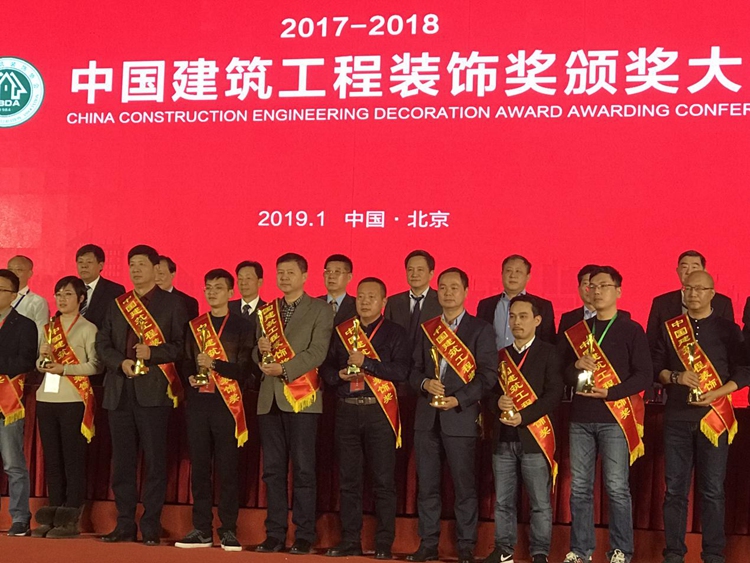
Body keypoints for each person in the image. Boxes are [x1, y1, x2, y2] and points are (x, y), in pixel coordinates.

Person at [652, 271, 750, 563]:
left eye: (700, 289)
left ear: (712, 293)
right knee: (675, 490)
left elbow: (744, 371)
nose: (693, 293)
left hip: (714, 418)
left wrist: (719, 392)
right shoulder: (671, 328)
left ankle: (713, 554)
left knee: (712, 490)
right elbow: (655, 367)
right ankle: (673, 553)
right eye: (688, 288)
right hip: (677, 419)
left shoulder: (728, 330)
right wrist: (677, 377)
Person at [96, 245, 188, 546]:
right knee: (122, 462)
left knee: (155, 462)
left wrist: (153, 353)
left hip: (154, 393)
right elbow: (103, 343)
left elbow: (180, 346)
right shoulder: (118, 304)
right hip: (119, 391)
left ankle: (150, 525)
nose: (135, 270)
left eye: (142, 265)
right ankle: (124, 523)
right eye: (132, 264)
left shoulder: (172, 304)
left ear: (155, 269)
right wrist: (119, 363)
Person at [560, 266, 652, 563]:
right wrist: (575, 367)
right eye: (592, 286)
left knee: (616, 487)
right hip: (580, 417)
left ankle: (621, 550)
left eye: (604, 286)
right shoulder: (577, 330)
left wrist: (611, 393)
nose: (597, 291)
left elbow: (644, 376)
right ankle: (581, 550)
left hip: (615, 418)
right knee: (580, 488)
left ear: (618, 291)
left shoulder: (631, 329)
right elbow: (562, 373)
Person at [407, 268, 497, 563]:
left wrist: (458, 398)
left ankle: (466, 546)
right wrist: (424, 383)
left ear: (466, 292)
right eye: (443, 287)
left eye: (454, 288)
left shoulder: (480, 329)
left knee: (464, 486)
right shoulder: (428, 328)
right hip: (426, 419)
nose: (447, 293)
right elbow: (413, 370)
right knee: (427, 485)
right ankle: (427, 543)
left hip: (460, 417)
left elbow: (488, 376)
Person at [322, 277, 410, 559]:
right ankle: (350, 540)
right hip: (347, 410)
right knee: (348, 480)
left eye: (371, 297)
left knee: (383, 481)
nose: (365, 301)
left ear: (384, 301)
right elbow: (326, 369)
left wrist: (367, 364)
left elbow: (402, 371)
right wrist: (339, 376)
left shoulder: (395, 333)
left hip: (378, 412)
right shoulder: (343, 331)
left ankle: (383, 543)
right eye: (360, 296)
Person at [253, 253, 334, 554]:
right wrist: (260, 352)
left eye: (290, 272)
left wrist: (285, 369)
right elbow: (257, 354)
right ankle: (274, 533)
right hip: (269, 399)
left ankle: (304, 534)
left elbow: (318, 352)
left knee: (303, 470)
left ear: (304, 276)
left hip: (302, 398)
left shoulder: (320, 309)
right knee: (273, 471)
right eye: (280, 272)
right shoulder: (267, 311)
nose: (284, 277)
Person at [175, 269, 254, 552]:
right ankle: (201, 529)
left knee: (228, 469)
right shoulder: (195, 325)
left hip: (227, 405)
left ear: (231, 292)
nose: (212, 292)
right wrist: (191, 376)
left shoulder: (242, 326)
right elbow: (186, 360)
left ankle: (229, 529)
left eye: (218, 288)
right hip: (199, 404)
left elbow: (244, 369)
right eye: (208, 287)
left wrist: (215, 365)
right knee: (199, 469)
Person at [486, 295, 563, 563]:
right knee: (502, 501)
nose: (516, 322)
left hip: (534, 438)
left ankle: (540, 553)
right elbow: (489, 393)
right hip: (503, 439)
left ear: (537, 320)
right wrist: (497, 403)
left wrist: (524, 416)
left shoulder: (549, 353)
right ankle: (504, 550)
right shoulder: (501, 355)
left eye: (523, 316)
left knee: (539, 502)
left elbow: (554, 394)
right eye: (512, 316)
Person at [34, 276, 101, 538]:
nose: (62, 299)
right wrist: (43, 359)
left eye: (68, 294)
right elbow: (39, 364)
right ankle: (53, 513)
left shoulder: (88, 328)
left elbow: (95, 365)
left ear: (81, 298)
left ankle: (71, 516)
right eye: (58, 294)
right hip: (46, 399)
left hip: (73, 400)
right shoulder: (48, 328)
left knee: (72, 458)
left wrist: (64, 368)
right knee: (52, 459)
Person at [0, 269, 37, 537]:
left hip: (7, 401)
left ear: (13, 295)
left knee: (13, 463)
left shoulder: (24, 324)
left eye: (1, 290)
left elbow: (25, 361)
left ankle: (21, 517)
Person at [646, 250, 734, 349]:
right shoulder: (661, 303)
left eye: (694, 267)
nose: (689, 272)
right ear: (677, 271)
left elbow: (731, 343)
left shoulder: (723, 303)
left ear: (704, 271)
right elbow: (651, 343)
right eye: (684, 267)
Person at [477, 255, 556, 348]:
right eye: (508, 271)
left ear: (528, 277)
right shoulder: (485, 305)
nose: (513, 276)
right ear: (502, 274)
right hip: (494, 357)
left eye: (518, 271)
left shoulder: (543, 306)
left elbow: (549, 343)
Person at [384, 250, 442, 349]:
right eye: (410, 270)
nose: (414, 274)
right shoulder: (393, 302)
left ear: (431, 274)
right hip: (399, 357)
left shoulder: (441, 301)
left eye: (420, 270)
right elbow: (387, 336)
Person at [75, 244, 126, 329]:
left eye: (89, 262)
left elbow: (117, 324)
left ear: (101, 265)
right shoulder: (71, 288)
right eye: (80, 262)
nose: (84, 266)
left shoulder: (114, 290)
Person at [7, 255, 49, 334]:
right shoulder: (2, 297)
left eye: (19, 270)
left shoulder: (37, 302)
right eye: (10, 269)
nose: (13, 273)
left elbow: (41, 332)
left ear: (30, 274)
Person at [557, 265, 599, 337]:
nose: (589, 289)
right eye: (586, 283)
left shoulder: (617, 319)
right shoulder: (568, 319)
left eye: (593, 285)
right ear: (579, 288)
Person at [155, 255, 200, 319]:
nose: (156, 278)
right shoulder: (143, 301)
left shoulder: (188, 303)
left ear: (172, 275)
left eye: (161, 274)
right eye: (153, 274)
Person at [319, 254, 357, 326]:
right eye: (328, 271)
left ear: (349, 277)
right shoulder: (314, 305)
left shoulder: (357, 306)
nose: (331, 276)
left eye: (337, 272)